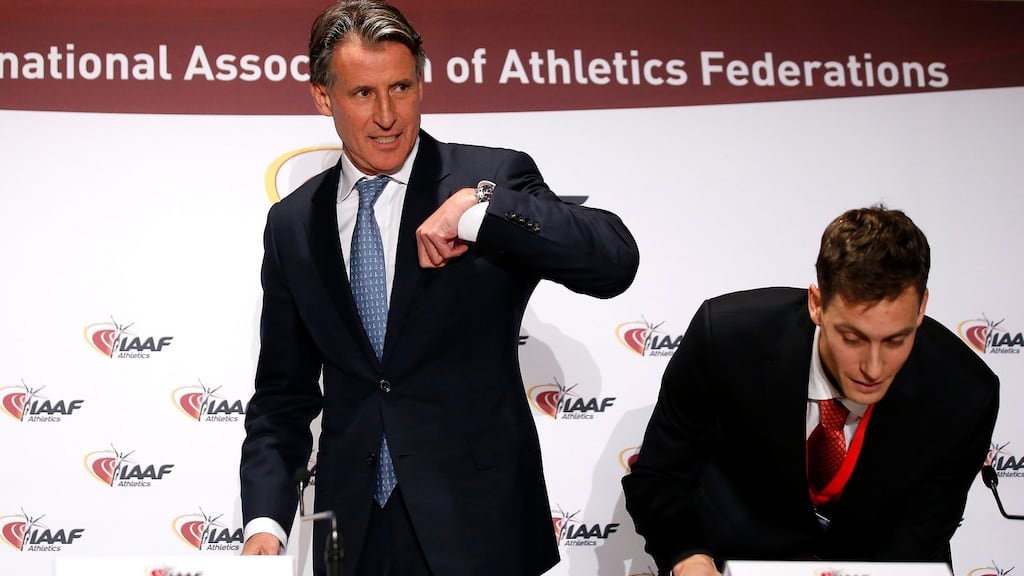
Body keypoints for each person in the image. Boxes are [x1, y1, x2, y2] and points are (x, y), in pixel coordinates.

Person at [238, 2, 639, 575]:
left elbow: (614, 261)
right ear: (323, 97)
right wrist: (264, 524)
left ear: (421, 82)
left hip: (481, 530)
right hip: (351, 538)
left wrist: (483, 210)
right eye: (362, 94)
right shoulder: (292, 224)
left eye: (401, 87)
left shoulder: (491, 179)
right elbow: (282, 395)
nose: (386, 115)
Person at [622, 205, 999, 576]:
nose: (873, 367)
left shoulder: (964, 393)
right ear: (817, 304)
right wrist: (690, 560)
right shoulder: (726, 338)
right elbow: (660, 478)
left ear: (921, 309)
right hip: (734, 558)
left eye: (896, 340)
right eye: (852, 338)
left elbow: (919, 538)